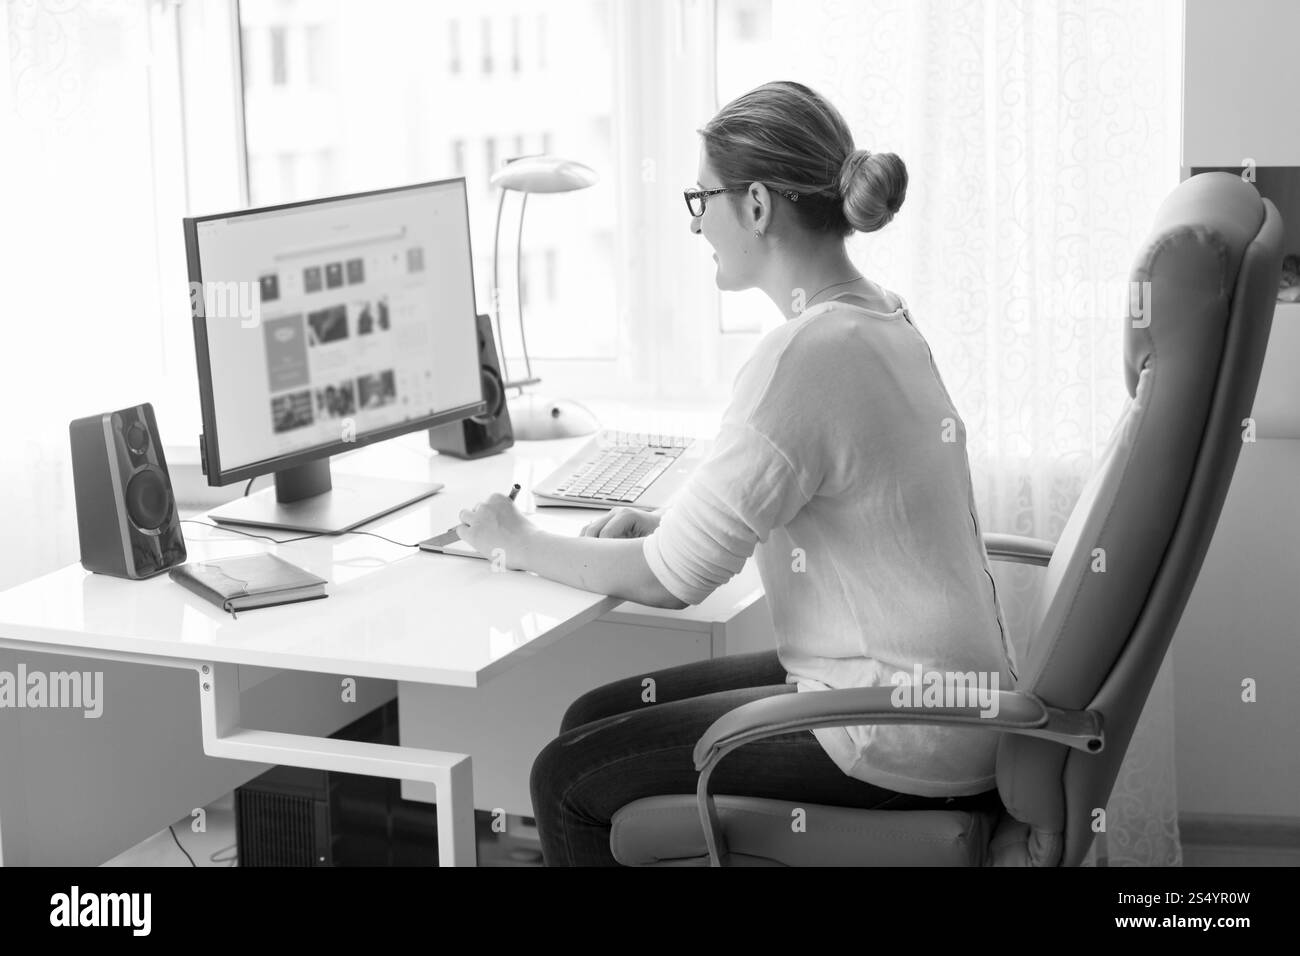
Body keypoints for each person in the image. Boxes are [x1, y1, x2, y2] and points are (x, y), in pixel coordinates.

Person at [455, 80, 1018, 866]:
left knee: (564, 778)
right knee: (591, 713)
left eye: (703, 198)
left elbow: (668, 581)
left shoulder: (803, 356)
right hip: (946, 698)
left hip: (900, 728)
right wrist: (671, 524)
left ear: (756, 206)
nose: (697, 224)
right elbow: (799, 493)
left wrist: (512, 537)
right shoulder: (879, 316)